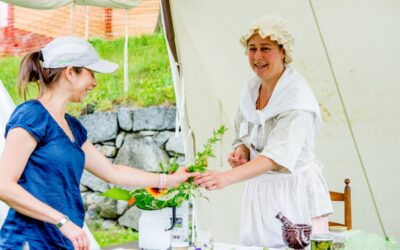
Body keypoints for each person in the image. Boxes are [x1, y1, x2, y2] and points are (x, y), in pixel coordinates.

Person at [0, 36, 196, 250]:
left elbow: (112, 171)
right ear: (69, 72)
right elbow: (4, 185)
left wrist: (168, 180)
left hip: (63, 241)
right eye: (91, 73)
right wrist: (62, 221)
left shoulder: (72, 126)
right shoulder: (31, 116)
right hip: (29, 241)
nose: (94, 82)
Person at [194, 15, 333, 247]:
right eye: (252, 48)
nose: (257, 56)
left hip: (294, 191)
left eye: (265, 48)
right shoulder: (250, 90)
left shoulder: (297, 99)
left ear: (283, 51)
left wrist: (225, 178)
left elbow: (276, 156)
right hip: (259, 191)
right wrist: (242, 150)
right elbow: (242, 133)